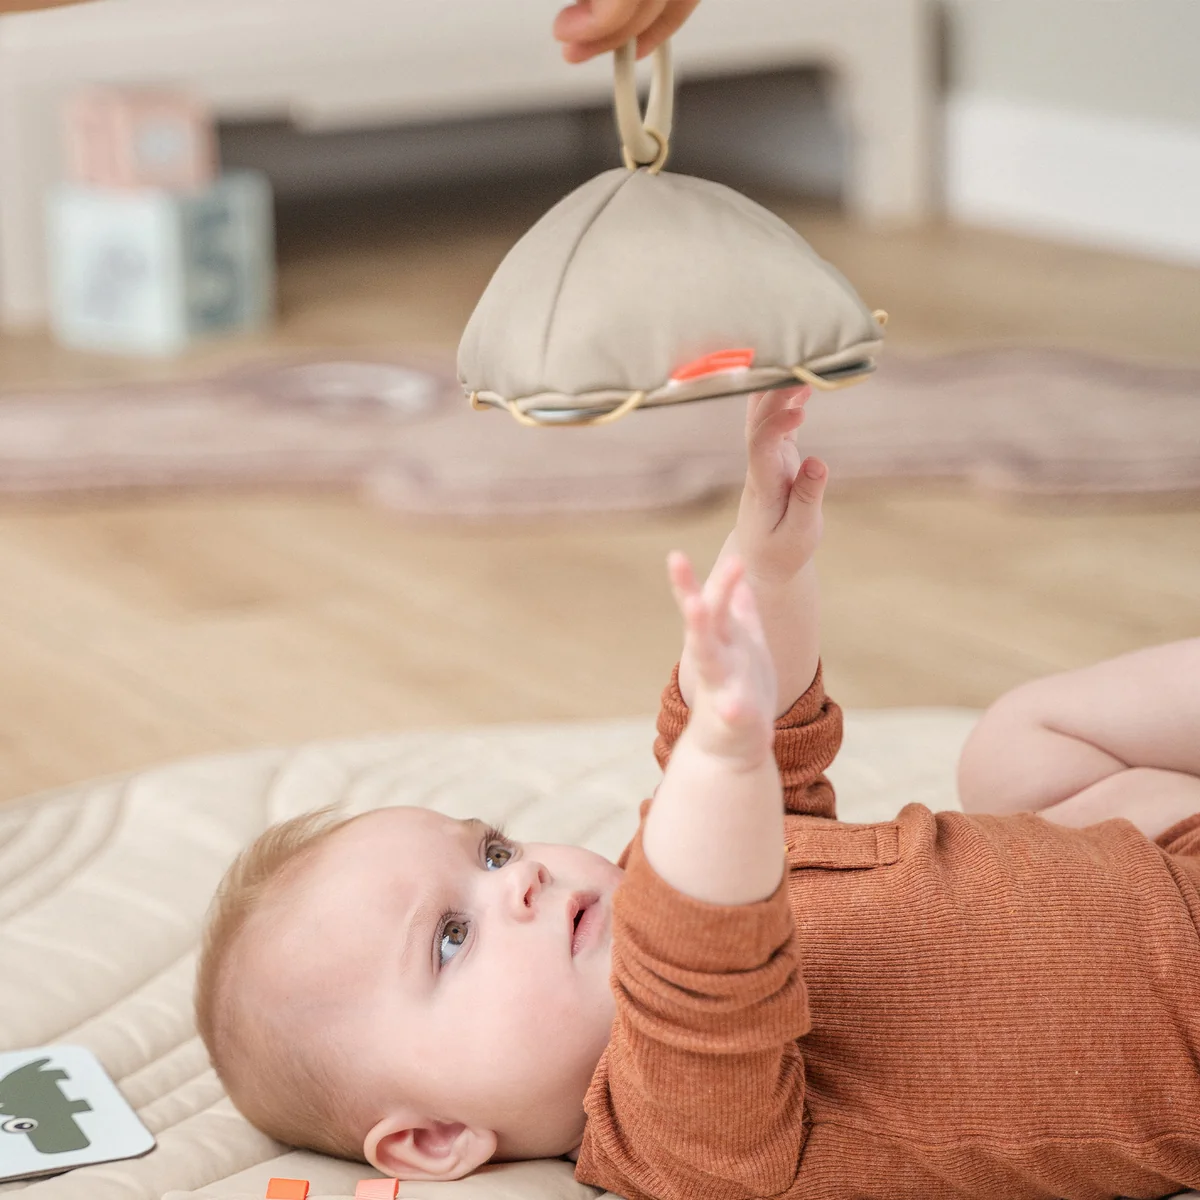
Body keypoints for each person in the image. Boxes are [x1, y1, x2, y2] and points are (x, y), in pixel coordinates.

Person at [195, 376, 1200, 1198]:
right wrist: (722, 756)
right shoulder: (677, 1131)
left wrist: (764, 567)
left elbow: (768, 742)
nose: (520, 882)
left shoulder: (655, 875)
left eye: (492, 851)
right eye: (452, 938)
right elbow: (700, 951)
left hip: (1156, 853)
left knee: (1016, 749)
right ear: (436, 1138)